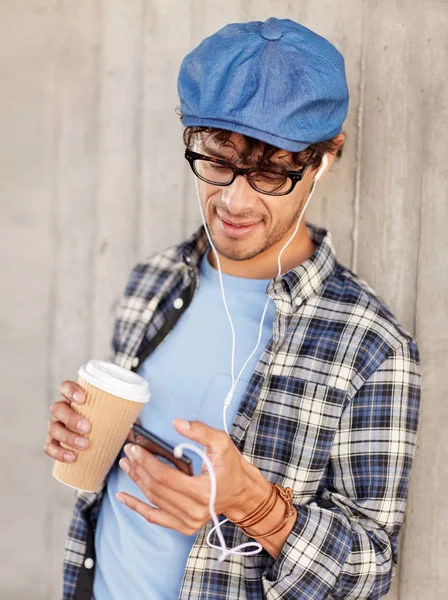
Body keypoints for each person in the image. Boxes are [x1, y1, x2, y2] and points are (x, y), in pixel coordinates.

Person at [44, 17, 421, 600]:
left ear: (324, 159)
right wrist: (90, 437)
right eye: (218, 160)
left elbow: (368, 571)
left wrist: (252, 502)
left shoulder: (370, 345)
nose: (235, 201)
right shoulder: (153, 280)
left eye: (272, 172)